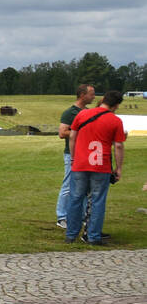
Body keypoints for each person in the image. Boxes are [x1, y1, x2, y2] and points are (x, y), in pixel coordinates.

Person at [66, 90, 127, 246]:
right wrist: (119, 168)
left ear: (103, 99)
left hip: (80, 164)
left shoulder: (82, 115)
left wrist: (73, 158)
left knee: (75, 198)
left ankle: (71, 234)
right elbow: (118, 146)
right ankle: (93, 236)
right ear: (116, 105)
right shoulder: (115, 121)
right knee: (97, 200)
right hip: (101, 166)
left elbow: (72, 136)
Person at [57, 84, 96, 230]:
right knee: (68, 185)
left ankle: (82, 216)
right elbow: (62, 133)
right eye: (91, 94)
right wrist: (80, 132)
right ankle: (62, 217)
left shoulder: (88, 112)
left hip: (85, 154)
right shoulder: (70, 112)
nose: (93, 97)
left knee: (84, 187)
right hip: (71, 154)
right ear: (82, 95)